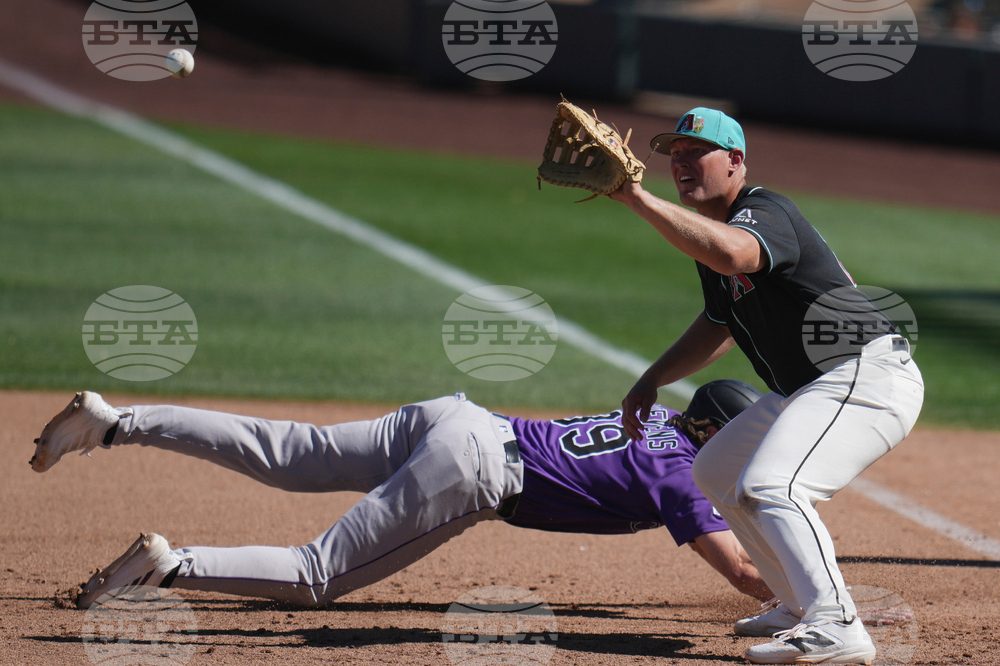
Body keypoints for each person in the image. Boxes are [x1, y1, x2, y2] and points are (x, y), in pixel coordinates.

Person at [608, 108, 924, 664]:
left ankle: (837, 625)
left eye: (694, 152)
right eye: (674, 155)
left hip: (863, 374)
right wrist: (652, 377)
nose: (681, 164)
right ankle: (800, 602)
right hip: (809, 389)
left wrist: (635, 198)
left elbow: (735, 253)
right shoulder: (711, 234)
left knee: (772, 485)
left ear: (735, 162)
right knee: (717, 471)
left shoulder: (764, 209)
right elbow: (719, 322)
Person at [30, 380, 773, 610]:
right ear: (720, 431)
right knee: (316, 575)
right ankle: (167, 567)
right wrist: (819, 597)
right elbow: (741, 572)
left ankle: (117, 423)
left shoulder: (651, 423)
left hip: (460, 419)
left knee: (287, 450)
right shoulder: (685, 476)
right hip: (474, 473)